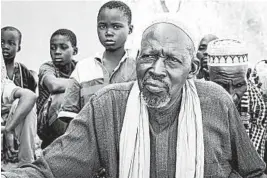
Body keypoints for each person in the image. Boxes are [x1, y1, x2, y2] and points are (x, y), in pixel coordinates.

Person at [2, 15, 267, 178]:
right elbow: (51, 170)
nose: (156, 70)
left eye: (172, 60)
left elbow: (253, 171)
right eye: (149, 56)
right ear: (137, 58)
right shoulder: (108, 106)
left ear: (193, 70)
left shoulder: (216, 103)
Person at [57, 0, 136, 123]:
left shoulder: (138, 66)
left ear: (130, 29)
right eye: (102, 26)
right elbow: (70, 116)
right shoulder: (83, 68)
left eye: (116, 26)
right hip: (89, 138)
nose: (108, 32)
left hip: (129, 138)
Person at [207, 39, 267, 160]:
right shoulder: (196, 102)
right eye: (222, 86)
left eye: (239, 85)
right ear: (207, 77)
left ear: (248, 75)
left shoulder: (258, 107)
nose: (231, 96)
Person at [36, 29, 78, 148]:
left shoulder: (80, 68)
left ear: (74, 51)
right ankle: (63, 146)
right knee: (61, 96)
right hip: (45, 125)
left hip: (71, 118)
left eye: (63, 47)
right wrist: (80, 84)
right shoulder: (47, 67)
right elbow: (54, 85)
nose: (57, 52)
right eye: (53, 48)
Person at [1, 58, 37, 168]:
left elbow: (30, 96)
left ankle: (26, 166)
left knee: (24, 105)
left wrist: (9, 129)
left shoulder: (4, 85)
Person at [1, 26, 37, 92]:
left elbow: (32, 94)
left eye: (11, 43)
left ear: (18, 48)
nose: (5, 46)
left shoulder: (23, 71)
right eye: (2, 42)